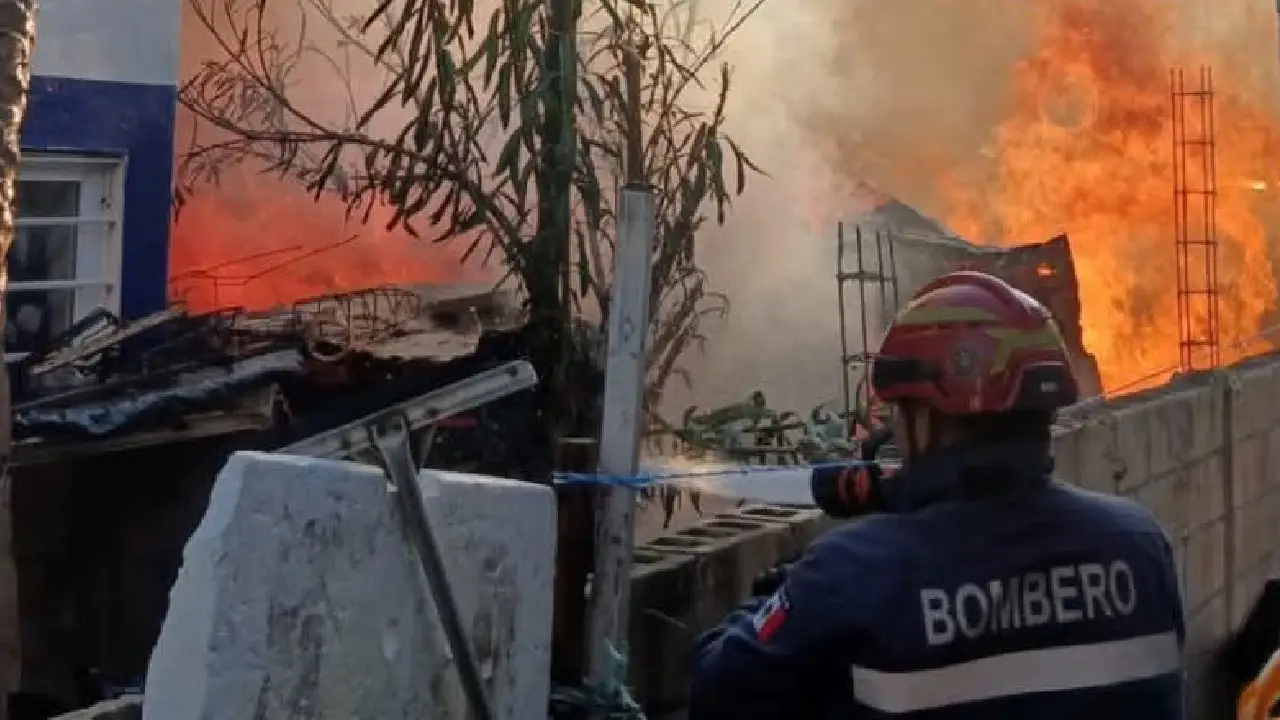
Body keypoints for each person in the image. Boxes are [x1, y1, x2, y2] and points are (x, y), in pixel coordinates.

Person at [687, 270, 1186, 719]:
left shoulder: (854, 573)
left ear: (928, 419)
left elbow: (717, 692)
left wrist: (779, 591)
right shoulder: (1140, 545)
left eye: (900, 413)